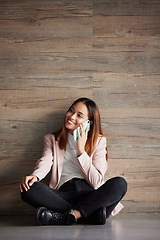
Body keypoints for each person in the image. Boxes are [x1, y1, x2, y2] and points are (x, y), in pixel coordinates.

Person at [19, 97, 127, 225]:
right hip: (63, 195)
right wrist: (35, 176)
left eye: (79, 115)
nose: (72, 116)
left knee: (120, 184)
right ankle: (89, 215)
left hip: (91, 194)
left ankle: (68, 216)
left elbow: (96, 181)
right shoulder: (52, 139)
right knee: (28, 188)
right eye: (71, 111)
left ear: (89, 122)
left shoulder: (99, 141)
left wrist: (81, 151)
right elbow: (45, 161)